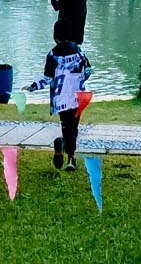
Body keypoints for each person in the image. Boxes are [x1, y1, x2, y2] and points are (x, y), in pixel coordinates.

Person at [32, 22, 90, 172]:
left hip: (61, 98)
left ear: (55, 36)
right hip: (77, 96)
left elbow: (47, 77)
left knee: (65, 124)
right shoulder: (78, 51)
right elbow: (88, 70)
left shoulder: (52, 54)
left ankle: (63, 143)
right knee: (73, 126)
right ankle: (71, 158)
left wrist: (33, 86)